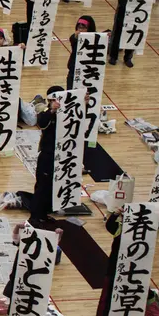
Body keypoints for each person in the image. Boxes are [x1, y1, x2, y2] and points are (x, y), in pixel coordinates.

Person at [29, 87, 62, 226]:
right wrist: (52, 110)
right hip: (47, 154)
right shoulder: (45, 112)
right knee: (43, 185)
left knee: (53, 185)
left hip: (61, 154)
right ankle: (36, 216)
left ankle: (46, 212)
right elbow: (42, 123)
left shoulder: (67, 112)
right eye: (53, 100)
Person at [65, 16, 96, 90]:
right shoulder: (74, 37)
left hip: (88, 72)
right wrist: (76, 36)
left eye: (83, 28)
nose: (80, 30)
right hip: (74, 70)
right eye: (79, 27)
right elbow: (73, 38)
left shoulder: (95, 38)